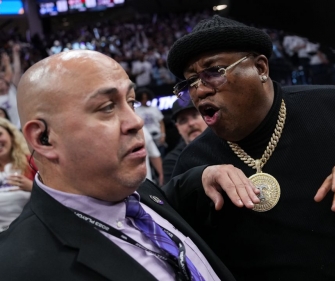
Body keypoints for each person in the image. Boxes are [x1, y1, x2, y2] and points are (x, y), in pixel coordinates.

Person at [163, 15, 335, 281]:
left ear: (260, 68)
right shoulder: (195, 165)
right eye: (191, 82)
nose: (200, 91)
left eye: (213, 73)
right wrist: (191, 183)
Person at [0, 49, 253, 280]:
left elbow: (171, 193)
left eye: (130, 103)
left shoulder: (141, 193)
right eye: (107, 107)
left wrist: (203, 176)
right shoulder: (19, 266)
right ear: (44, 139)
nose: (136, 121)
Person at [0, 118, 37, 231]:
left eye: (0, 134)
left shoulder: (31, 162)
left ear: (11, 135)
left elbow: (56, 194)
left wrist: (32, 187)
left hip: (30, 229)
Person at [163, 98, 208, 181]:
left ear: (206, 117)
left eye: (195, 116)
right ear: (178, 128)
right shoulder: (173, 161)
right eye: (183, 120)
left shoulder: (228, 144)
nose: (191, 123)